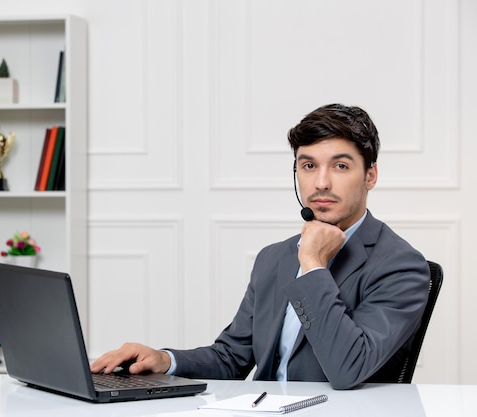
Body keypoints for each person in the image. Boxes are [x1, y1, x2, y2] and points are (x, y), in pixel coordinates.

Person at [90, 103, 430, 390]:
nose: (321, 182)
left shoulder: (401, 266)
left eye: (340, 166)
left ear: (370, 175)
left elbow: (348, 369)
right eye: (308, 165)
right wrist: (165, 360)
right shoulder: (275, 258)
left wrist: (312, 264)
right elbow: (231, 358)